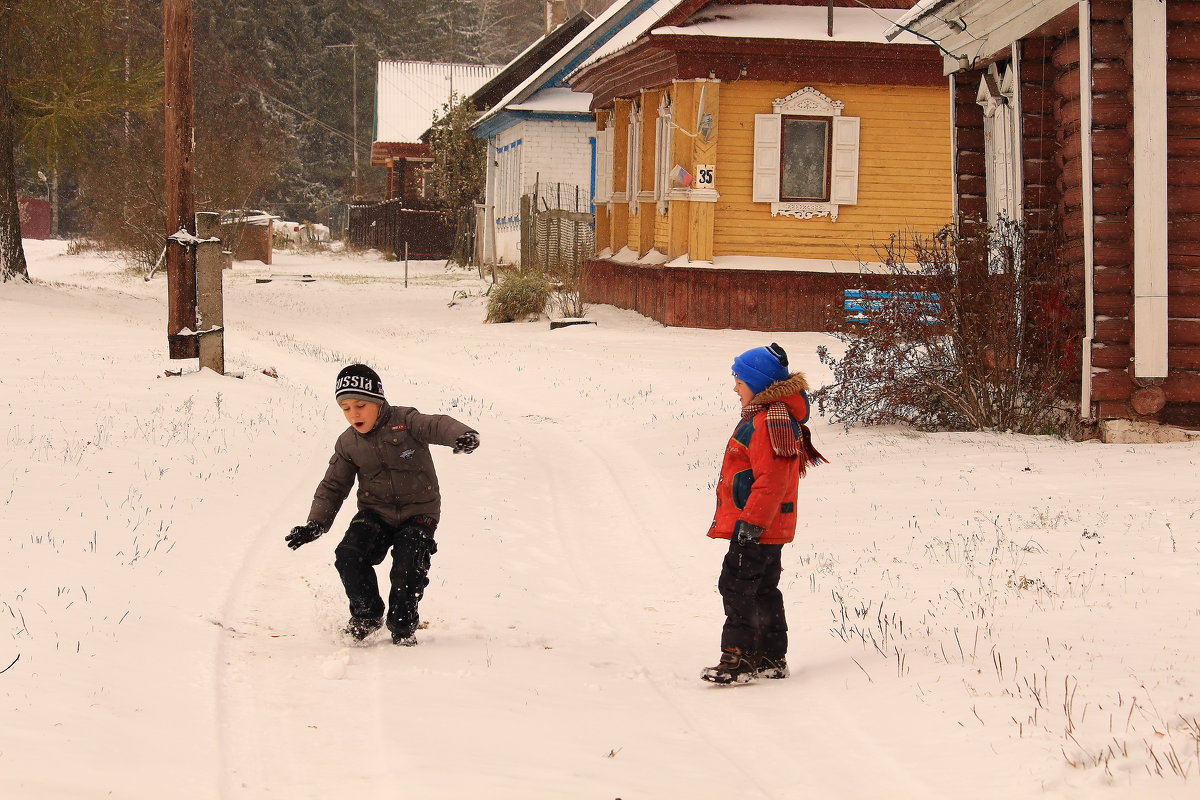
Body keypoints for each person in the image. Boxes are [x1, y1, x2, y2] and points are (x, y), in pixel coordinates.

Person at [286, 364, 480, 646]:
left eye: (361, 405)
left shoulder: (406, 421)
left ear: (377, 401)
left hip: (419, 512)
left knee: (408, 566)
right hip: (375, 513)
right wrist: (316, 524)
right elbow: (333, 485)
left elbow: (437, 424)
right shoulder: (348, 443)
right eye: (346, 408)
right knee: (349, 555)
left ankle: (403, 626)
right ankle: (366, 615)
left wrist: (461, 435)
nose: (354, 414)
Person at [701, 343, 825, 684]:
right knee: (762, 590)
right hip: (766, 525)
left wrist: (750, 525)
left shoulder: (770, 422)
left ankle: (739, 657)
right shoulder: (769, 418)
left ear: (757, 383)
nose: (735, 387)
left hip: (757, 526)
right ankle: (770, 656)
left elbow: (771, 482)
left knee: (737, 586)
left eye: (739, 380)